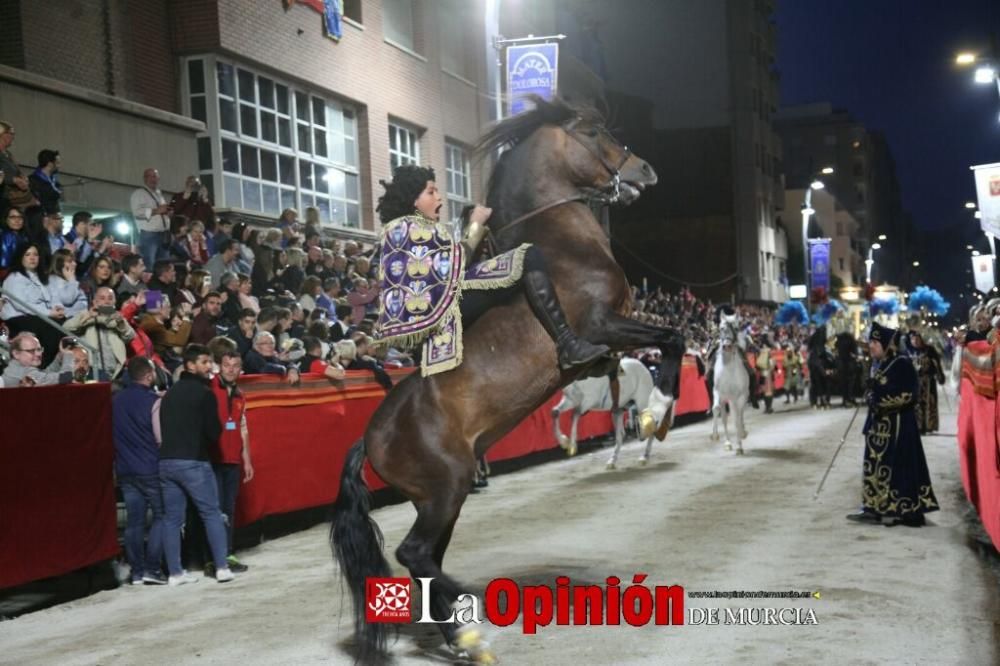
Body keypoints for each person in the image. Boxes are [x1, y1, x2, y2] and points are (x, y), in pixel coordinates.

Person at [373, 165, 607, 375]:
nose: (440, 198)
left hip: (436, 308)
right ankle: (568, 344)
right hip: (438, 313)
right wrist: (475, 224)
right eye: (431, 192)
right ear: (415, 200)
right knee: (528, 256)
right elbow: (454, 263)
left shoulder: (403, 231)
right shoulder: (409, 228)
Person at [846, 322, 939, 528]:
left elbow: (909, 396)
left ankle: (903, 510)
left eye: (875, 342)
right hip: (877, 427)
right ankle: (872, 508)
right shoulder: (876, 364)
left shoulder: (902, 364)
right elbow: (874, 392)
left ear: (888, 345)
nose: (871, 346)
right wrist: (870, 391)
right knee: (873, 466)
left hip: (898, 428)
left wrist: (877, 398)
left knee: (899, 469)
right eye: (870, 342)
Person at [158, 343, 234, 584]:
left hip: (166, 462)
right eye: (204, 362)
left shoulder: (169, 394)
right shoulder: (205, 394)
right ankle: (222, 567)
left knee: (172, 519)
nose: (209, 366)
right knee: (211, 513)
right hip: (194, 462)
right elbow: (213, 433)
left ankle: (175, 573)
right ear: (190, 365)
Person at [112, 357, 166, 584]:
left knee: (134, 522)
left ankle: (136, 571)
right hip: (150, 468)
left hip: (125, 469)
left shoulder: (114, 401)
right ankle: (152, 569)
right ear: (149, 375)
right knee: (162, 516)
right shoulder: (153, 401)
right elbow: (160, 437)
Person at [204, 349, 254, 578]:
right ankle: (213, 557)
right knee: (213, 510)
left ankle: (227, 554)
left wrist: (247, 461)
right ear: (219, 367)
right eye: (226, 365)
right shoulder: (209, 389)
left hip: (233, 461)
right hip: (212, 460)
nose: (231, 369)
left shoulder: (241, 396)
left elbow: (242, 428)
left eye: (235, 365)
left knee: (228, 509)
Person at [1, 242, 66, 364]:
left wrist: (58, 307)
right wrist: (49, 313)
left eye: (35, 254)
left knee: (65, 324)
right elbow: (21, 305)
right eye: (28, 254)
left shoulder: (42, 277)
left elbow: (54, 296)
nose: (32, 258)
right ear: (21, 257)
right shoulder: (14, 278)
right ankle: (42, 366)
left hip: (40, 316)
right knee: (51, 330)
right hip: (19, 318)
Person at [131, 168, 172, 270]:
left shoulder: (159, 194)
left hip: (163, 235)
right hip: (149, 235)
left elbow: (160, 211)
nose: (153, 179)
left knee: (163, 267)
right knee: (149, 265)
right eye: (150, 176)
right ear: (145, 178)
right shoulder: (139, 193)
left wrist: (167, 214)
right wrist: (157, 210)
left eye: (155, 176)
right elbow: (137, 212)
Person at [1, 332, 75, 387]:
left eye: (39, 349)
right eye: (31, 351)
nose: (38, 354)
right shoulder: (24, 371)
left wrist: (60, 357)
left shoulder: (15, 368)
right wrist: (68, 355)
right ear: (16, 354)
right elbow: (66, 377)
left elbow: (45, 375)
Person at [909, 330, 946, 435]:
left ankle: (929, 426)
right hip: (916, 382)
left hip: (929, 381)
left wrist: (939, 375)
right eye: (913, 339)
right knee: (917, 405)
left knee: (930, 403)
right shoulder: (910, 351)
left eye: (917, 339)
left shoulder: (929, 350)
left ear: (921, 339)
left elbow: (936, 363)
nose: (915, 341)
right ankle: (919, 426)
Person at [28, 149, 62, 214]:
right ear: (50, 164)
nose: (59, 166)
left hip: (52, 218)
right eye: (57, 163)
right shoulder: (33, 181)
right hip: (38, 218)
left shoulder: (55, 183)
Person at [0, 206, 28, 272]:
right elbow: (4, 264)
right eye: (13, 217)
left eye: (20, 217)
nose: (17, 220)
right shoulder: (7, 236)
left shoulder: (23, 236)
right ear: (6, 220)